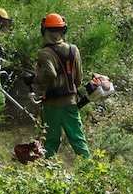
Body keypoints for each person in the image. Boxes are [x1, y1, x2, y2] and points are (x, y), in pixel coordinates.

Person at [30, 12, 92, 158]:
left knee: (50, 141)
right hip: (71, 102)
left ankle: (50, 172)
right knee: (78, 138)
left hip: (52, 104)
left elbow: (50, 74)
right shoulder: (73, 50)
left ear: (44, 31)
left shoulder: (44, 53)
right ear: (63, 30)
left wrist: (35, 79)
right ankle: (90, 169)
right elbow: (79, 79)